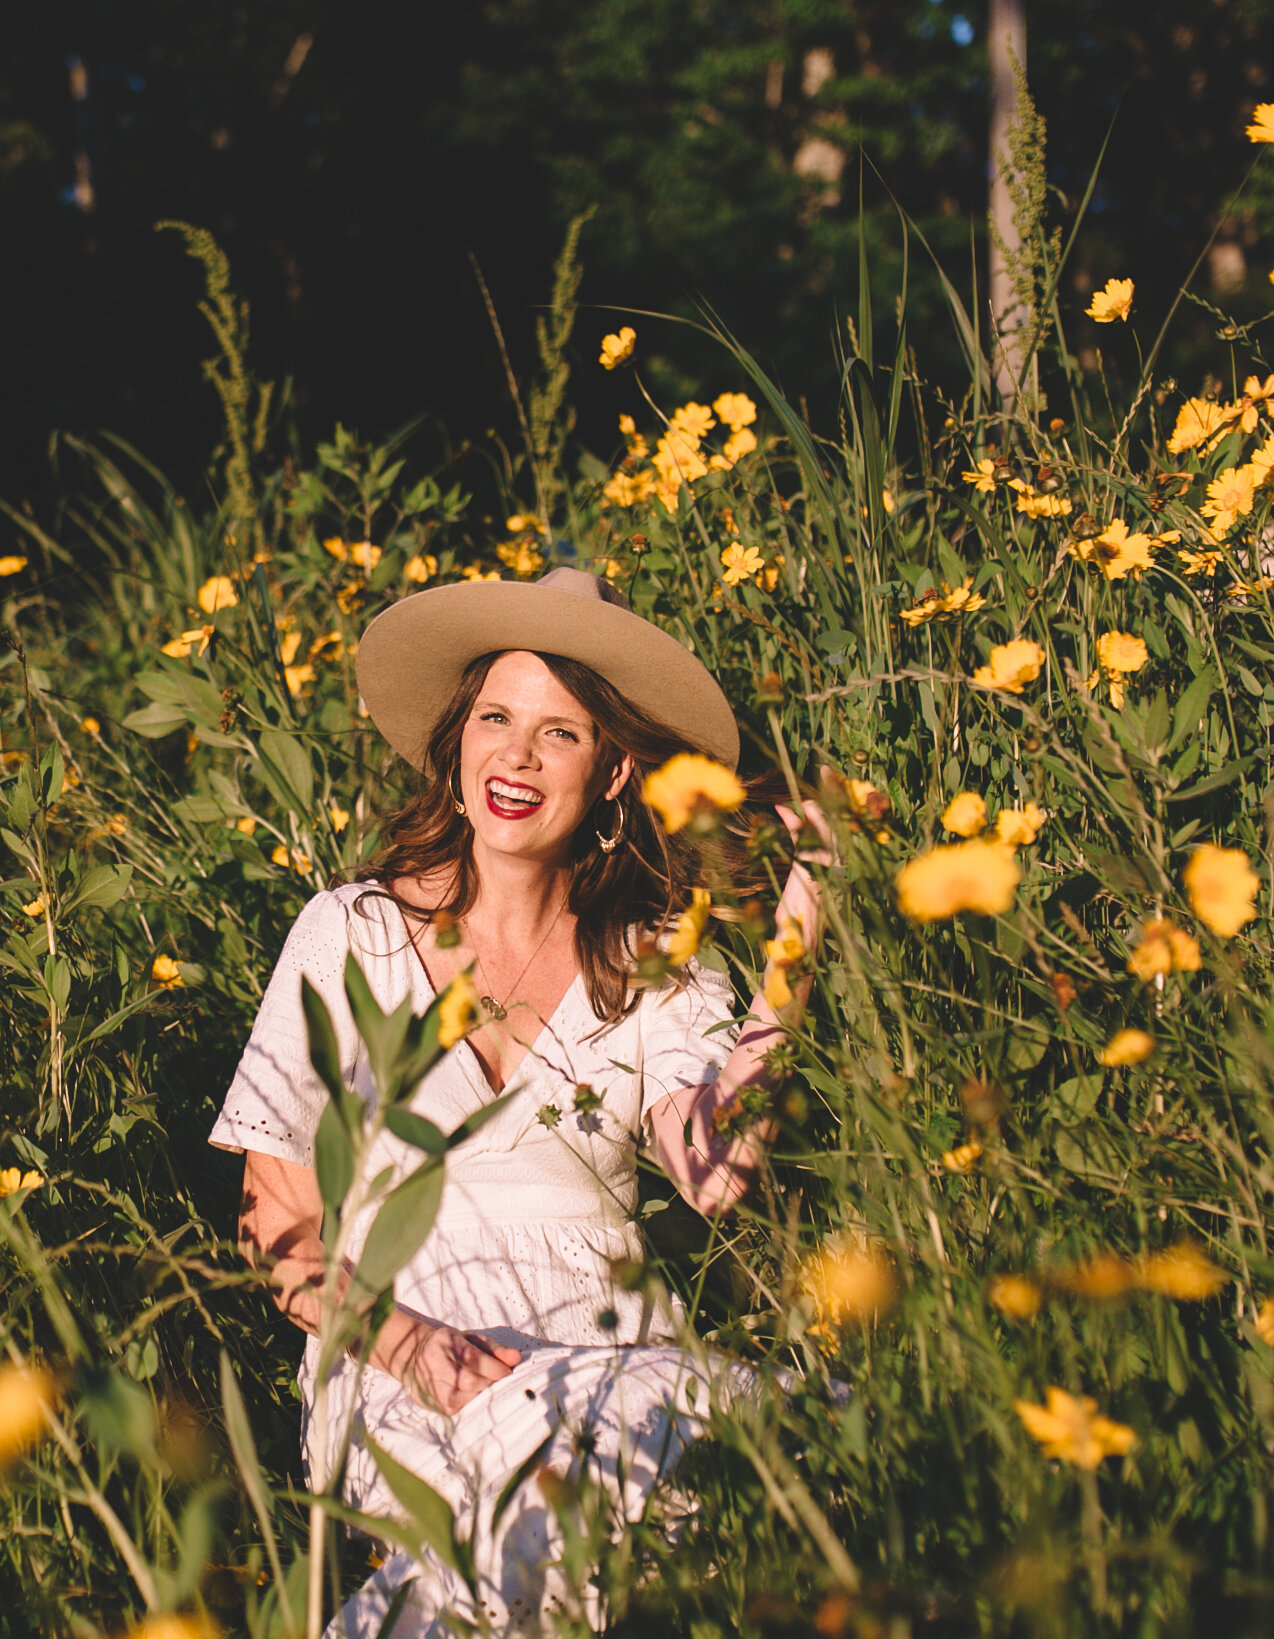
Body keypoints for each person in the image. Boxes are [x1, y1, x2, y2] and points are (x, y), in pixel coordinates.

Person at [209, 566, 823, 1637]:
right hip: (393, 1344)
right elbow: (276, 1226)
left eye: (561, 732)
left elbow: (713, 1171)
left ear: (615, 768)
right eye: (495, 716)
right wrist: (411, 1345)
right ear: (456, 742)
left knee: (551, 1563)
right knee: (525, 1554)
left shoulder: (658, 971)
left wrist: (804, 920)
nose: (517, 757)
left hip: (608, 1350)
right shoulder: (348, 933)